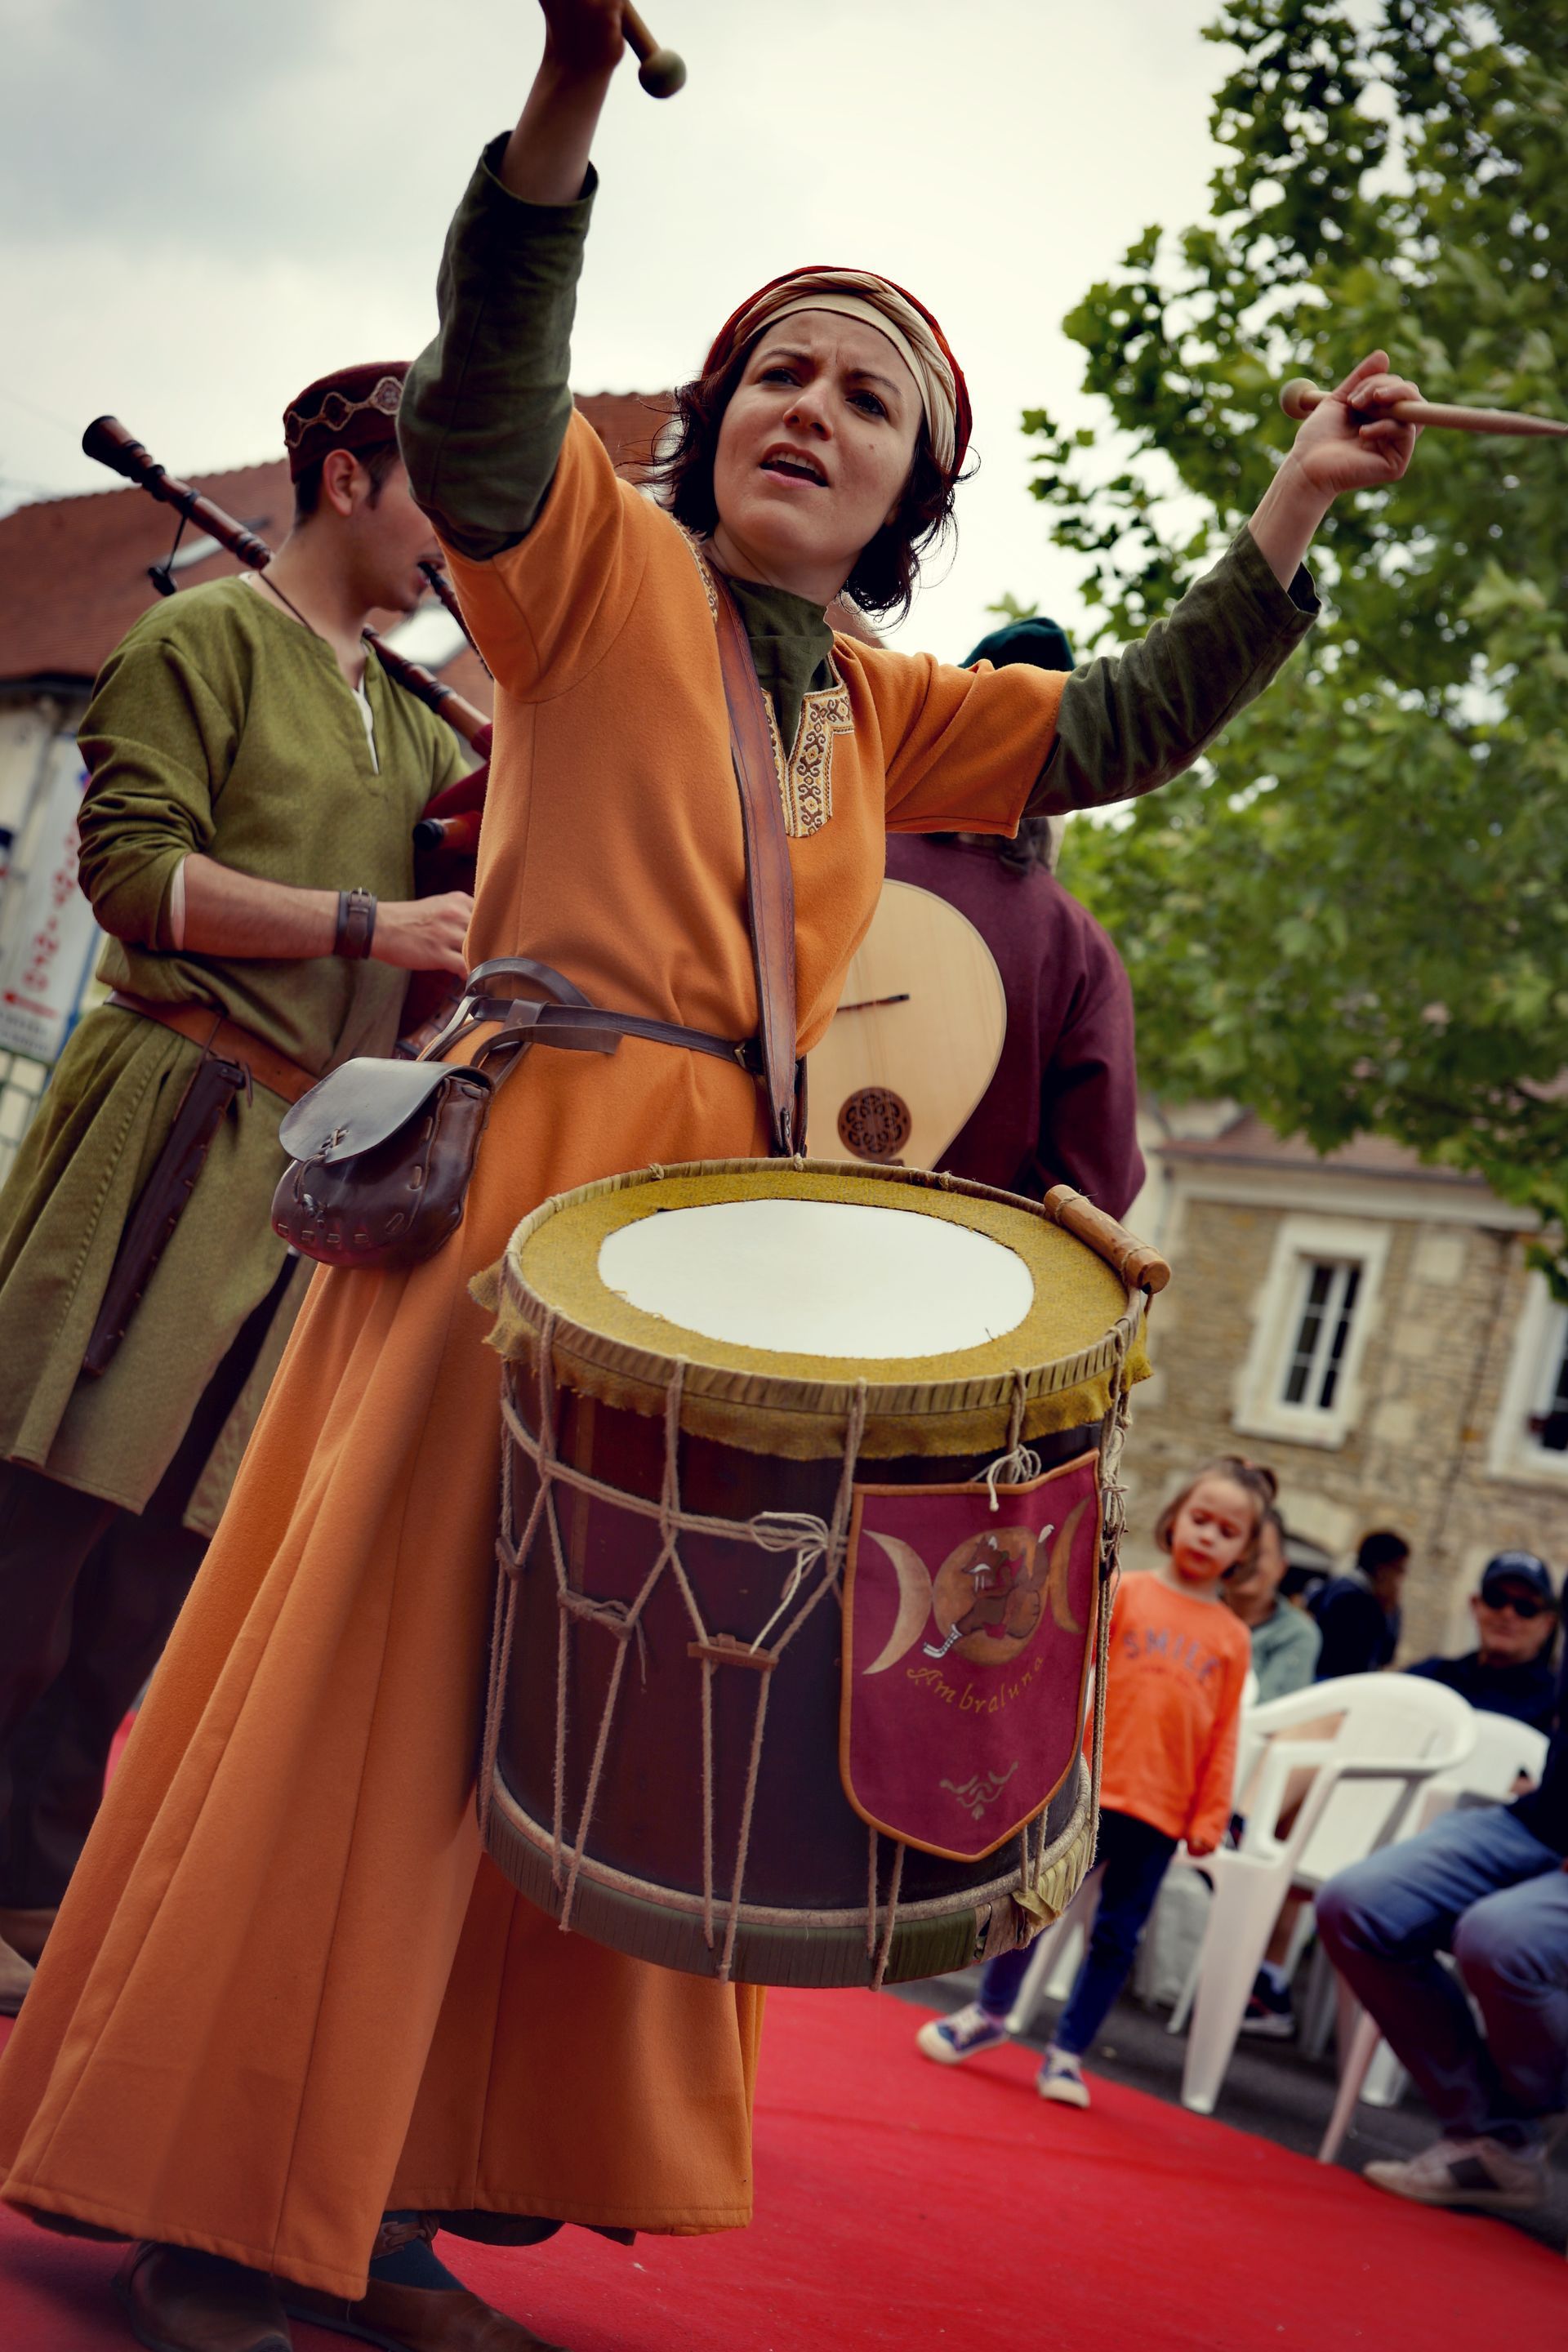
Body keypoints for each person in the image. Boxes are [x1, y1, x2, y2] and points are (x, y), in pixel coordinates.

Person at [0, 9, 1427, 2348]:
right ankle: (219, 2205)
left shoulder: (879, 704)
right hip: (518, 1205)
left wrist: (1290, 507)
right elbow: (481, 398)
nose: (815, 414)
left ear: (910, 490)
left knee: (572, 1734)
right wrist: (565, 103)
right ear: (706, 419)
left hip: (701, 1259)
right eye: (782, 370)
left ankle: (390, 2210)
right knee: (389, 1701)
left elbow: (1134, 720)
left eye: (870, 401)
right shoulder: (586, 573)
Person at [0, 361, 471, 2018]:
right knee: (40, 1532)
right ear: (349, 479)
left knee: (163, 1567)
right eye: (438, 495)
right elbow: (129, 877)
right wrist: (371, 924)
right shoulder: (196, 638)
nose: (455, 540)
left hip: (311, 1178)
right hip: (168, 1117)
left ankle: (37, 1877)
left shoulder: (423, 722)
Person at [916, 1458, 1266, 2105]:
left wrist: (1211, 1816)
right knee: (1038, 1903)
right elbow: (1071, 1680)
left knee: (1115, 1938)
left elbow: (1224, 1737)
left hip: (1162, 1815)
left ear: (1245, 1551)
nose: (1209, 1536)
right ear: (1173, 1520)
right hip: (1089, 1788)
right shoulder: (1127, 1592)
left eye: (1228, 1530)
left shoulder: (1232, 1638)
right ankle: (990, 2014)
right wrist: (1046, 1757)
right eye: (1201, 1518)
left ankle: (1068, 2055)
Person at [884, 615, 1144, 1216]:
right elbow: (1095, 1185)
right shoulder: (1077, 945)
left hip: (775, 1235)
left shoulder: (841, 861)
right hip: (961, 1290)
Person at [1316, 1710, 1568, 2212]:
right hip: (1539, 1825)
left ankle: (1525, 2112)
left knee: (1502, 1939)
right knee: (1357, 1905)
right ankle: (1494, 2140)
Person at [1406, 1552, 1559, 1733]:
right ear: (1475, 1605)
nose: (1507, 1614)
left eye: (1526, 1608)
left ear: (1547, 1624)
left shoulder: (1557, 1708)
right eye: (1496, 1599)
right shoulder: (1428, 1679)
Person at [1223, 1505, 1321, 1702]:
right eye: (1240, 1549)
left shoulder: (1296, 1634)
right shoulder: (1193, 1610)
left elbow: (1271, 1714)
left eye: (1259, 1554)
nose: (1246, 1561)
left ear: (1281, 1567)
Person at [1312, 1528, 1410, 1679]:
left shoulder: (1338, 1589)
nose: (1401, 1579)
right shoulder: (1353, 1600)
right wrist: (1386, 1610)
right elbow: (1364, 1658)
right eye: (1400, 1570)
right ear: (1382, 1569)